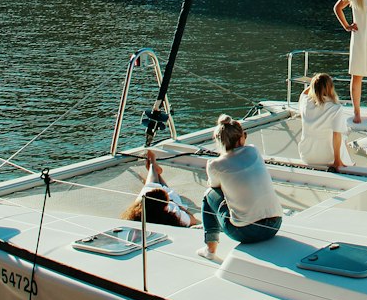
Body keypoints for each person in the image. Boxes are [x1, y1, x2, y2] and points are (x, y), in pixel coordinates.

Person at [201, 115, 282, 253]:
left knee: (209, 195)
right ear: (241, 139)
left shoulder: (214, 165)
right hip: (274, 224)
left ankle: (210, 247)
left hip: (245, 232)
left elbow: (215, 188)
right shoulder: (254, 151)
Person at [120, 149, 197, 227]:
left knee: (152, 185)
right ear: (165, 204)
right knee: (162, 188)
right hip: (171, 201)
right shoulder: (175, 213)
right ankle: (152, 165)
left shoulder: (136, 213)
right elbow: (193, 220)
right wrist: (178, 205)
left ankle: (153, 167)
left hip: (150, 199)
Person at [298, 72, 352, 170]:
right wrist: (337, 160)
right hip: (327, 158)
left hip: (307, 155)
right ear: (330, 87)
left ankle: (348, 162)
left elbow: (304, 93)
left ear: (313, 88)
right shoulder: (335, 108)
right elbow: (336, 135)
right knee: (343, 136)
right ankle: (347, 163)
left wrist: (314, 82)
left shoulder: (306, 102)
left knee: (342, 136)